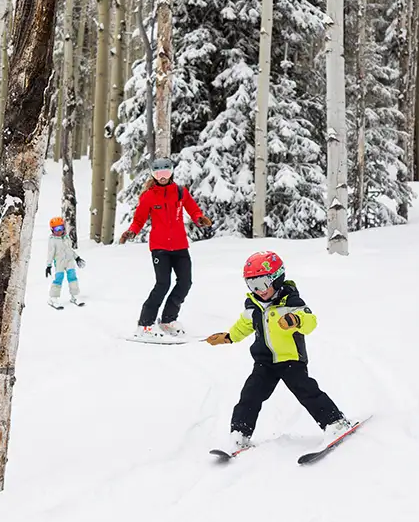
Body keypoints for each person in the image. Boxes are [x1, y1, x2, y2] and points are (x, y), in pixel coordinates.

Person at [207, 251, 350, 453]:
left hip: (291, 359)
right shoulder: (253, 306)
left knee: (306, 391)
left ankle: (335, 422)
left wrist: (296, 320)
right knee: (250, 395)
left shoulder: (291, 302)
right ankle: (240, 435)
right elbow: (244, 325)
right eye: (252, 285)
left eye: (262, 283)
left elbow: (310, 322)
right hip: (264, 362)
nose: (259, 290)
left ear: (277, 278)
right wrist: (229, 337)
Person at [119, 157, 212, 337]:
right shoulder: (148, 196)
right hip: (160, 247)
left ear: (171, 172)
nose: (162, 176)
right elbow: (139, 219)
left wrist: (199, 218)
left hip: (180, 246)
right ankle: (145, 324)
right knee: (163, 284)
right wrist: (131, 232)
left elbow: (193, 209)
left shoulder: (180, 192)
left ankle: (168, 319)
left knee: (185, 283)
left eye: (166, 172)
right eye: (158, 173)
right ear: (153, 175)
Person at [46, 217, 86, 309]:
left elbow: (69, 250)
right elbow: (50, 254)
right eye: (56, 229)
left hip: (69, 261)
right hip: (59, 263)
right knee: (59, 278)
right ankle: (53, 298)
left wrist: (77, 258)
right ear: (52, 230)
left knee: (72, 277)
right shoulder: (52, 240)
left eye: (61, 228)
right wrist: (48, 265)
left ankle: (74, 296)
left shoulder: (66, 237)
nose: (59, 231)